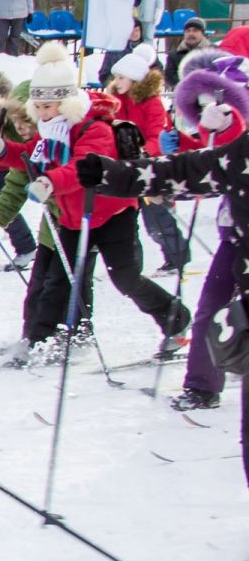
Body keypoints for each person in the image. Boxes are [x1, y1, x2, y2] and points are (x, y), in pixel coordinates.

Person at [0, 43, 190, 365]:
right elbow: (32, 155)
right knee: (59, 281)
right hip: (73, 217)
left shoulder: (94, 127)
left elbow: (80, 167)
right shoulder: (49, 130)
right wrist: (2, 151)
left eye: (49, 106)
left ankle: (176, 320)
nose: (43, 113)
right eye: (39, 107)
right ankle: (42, 340)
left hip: (112, 212)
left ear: (66, 102)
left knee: (126, 278)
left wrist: (49, 182)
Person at [81, 122, 249, 476]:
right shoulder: (243, 154)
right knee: (208, 314)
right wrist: (111, 173)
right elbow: (183, 170)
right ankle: (202, 385)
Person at [84, 52, 248, 412]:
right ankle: (202, 386)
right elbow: (204, 165)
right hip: (236, 233)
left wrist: (224, 131)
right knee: (210, 309)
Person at [103, 49, 188, 274]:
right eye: (116, 77)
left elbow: (158, 136)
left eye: (122, 77)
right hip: (125, 169)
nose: (117, 82)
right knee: (126, 220)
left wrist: (142, 152)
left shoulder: (152, 103)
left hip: (152, 168)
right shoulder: (114, 102)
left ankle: (177, 258)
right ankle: (130, 266)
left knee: (157, 221)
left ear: (135, 79)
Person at [0, 86, 39, 270]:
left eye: (26, 120)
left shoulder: (56, 140)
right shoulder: (25, 145)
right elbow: (16, 184)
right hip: (59, 229)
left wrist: (52, 183)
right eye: (16, 120)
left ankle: (26, 247)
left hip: (84, 223)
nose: (20, 126)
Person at [165, 18, 210, 87]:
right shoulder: (174, 55)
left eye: (195, 30)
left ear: (203, 33)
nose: (191, 34)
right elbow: (169, 78)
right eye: (188, 31)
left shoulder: (213, 52)